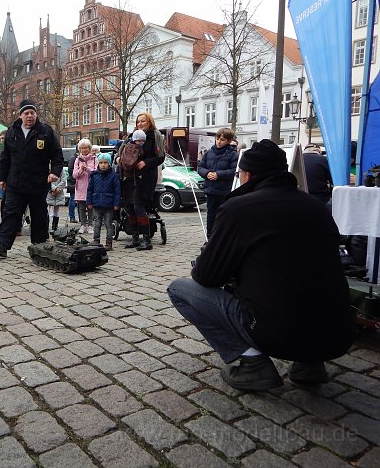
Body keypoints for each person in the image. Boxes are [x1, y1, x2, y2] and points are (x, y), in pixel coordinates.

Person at [167, 139, 356, 391]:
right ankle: (309, 363)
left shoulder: (239, 208)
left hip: (277, 331)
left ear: (248, 175)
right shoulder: (316, 206)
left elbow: (206, 276)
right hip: (338, 333)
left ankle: (253, 363)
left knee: (180, 289)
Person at [0, 99, 63, 257]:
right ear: (20, 115)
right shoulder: (11, 132)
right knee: (11, 213)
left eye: (32, 113)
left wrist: (54, 172)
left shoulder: (45, 131)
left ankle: (39, 246)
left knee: (39, 215)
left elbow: (57, 155)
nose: (30, 116)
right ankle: (1, 245)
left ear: (36, 115)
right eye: (26, 113)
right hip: (15, 183)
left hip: (38, 183)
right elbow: (5, 157)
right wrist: (1, 178)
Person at [117, 112, 165, 251]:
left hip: (145, 177)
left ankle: (146, 239)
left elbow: (160, 157)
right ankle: (135, 238)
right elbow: (121, 151)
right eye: (138, 121)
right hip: (129, 177)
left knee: (139, 206)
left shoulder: (155, 136)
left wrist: (146, 162)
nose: (140, 124)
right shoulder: (132, 136)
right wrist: (119, 158)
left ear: (149, 121)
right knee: (130, 207)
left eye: (143, 121)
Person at [197, 127, 238, 236]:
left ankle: (221, 237)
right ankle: (209, 237)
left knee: (223, 215)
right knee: (210, 215)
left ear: (229, 141)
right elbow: (200, 167)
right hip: (211, 190)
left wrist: (218, 175)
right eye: (218, 138)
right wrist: (207, 173)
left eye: (222, 139)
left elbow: (234, 171)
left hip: (224, 191)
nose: (219, 141)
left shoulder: (233, 154)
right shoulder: (209, 153)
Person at [86, 153, 121, 251]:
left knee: (108, 224)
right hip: (97, 204)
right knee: (97, 224)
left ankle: (109, 243)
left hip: (109, 205)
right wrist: (89, 202)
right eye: (101, 163)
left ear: (109, 164)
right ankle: (96, 240)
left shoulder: (113, 176)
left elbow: (117, 191)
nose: (103, 165)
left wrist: (116, 203)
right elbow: (90, 190)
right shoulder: (94, 175)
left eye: (105, 163)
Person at [73, 138, 98, 234]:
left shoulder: (94, 158)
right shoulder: (77, 160)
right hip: (80, 187)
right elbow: (74, 175)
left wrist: (87, 169)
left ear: (89, 148)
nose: (84, 150)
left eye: (85, 148)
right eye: (82, 148)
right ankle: (83, 225)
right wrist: (81, 170)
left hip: (91, 186)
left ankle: (90, 225)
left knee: (90, 207)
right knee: (81, 207)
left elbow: (96, 172)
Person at [46, 167, 67, 233]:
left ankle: (55, 226)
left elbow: (63, 180)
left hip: (59, 193)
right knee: (47, 210)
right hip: (49, 192)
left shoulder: (61, 170)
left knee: (56, 210)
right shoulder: (48, 168)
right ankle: (46, 226)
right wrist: (54, 188)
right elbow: (47, 180)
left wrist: (58, 189)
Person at [66, 147, 78, 223]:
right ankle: (72, 217)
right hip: (73, 182)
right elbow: (70, 170)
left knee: (80, 201)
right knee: (72, 199)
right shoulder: (73, 158)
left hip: (79, 182)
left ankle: (80, 217)